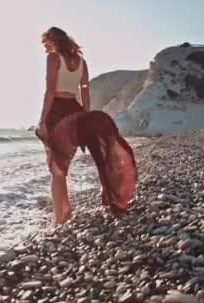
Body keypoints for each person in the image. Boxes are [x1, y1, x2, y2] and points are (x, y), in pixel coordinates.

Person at [36, 26, 137, 224]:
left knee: (56, 167)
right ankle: (68, 210)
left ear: (52, 40)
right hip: (75, 109)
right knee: (63, 163)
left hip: (57, 110)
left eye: (45, 43)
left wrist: (42, 121)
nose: (45, 48)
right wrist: (85, 114)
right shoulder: (81, 61)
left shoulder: (53, 58)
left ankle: (62, 216)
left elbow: (49, 91)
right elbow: (85, 89)